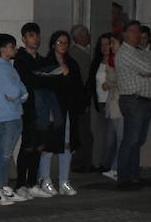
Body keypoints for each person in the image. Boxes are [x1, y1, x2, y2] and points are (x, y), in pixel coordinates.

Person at [31, 30, 83, 197]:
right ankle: (45, 179)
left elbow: (77, 87)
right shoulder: (47, 62)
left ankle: (64, 181)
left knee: (67, 145)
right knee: (49, 145)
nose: (63, 45)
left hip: (69, 110)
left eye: (66, 42)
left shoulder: (72, 63)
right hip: (53, 110)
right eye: (60, 42)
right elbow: (45, 86)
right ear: (53, 44)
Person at [115, 21, 151, 190]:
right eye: (133, 31)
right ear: (125, 34)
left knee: (138, 140)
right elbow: (149, 67)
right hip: (133, 101)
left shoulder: (139, 51)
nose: (137, 34)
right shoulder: (125, 52)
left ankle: (134, 176)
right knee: (131, 140)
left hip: (144, 101)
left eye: (138, 31)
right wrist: (150, 71)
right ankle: (124, 177)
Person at [0, 34, 28, 205]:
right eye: (12, 46)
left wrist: (17, 94)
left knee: (7, 154)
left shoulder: (8, 66)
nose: (15, 49)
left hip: (14, 113)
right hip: (6, 116)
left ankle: (4, 188)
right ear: (3, 49)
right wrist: (17, 94)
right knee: (3, 155)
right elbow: (15, 91)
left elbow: (24, 92)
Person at [12, 22, 44, 197]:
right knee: (28, 145)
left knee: (38, 145)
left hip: (41, 107)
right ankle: (21, 183)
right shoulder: (21, 59)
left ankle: (32, 182)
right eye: (31, 35)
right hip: (28, 108)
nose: (35, 39)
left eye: (37, 35)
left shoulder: (41, 59)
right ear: (24, 39)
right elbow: (28, 81)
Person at [92, 33, 123, 180]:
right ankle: (103, 163)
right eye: (103, 44)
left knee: (114, 136)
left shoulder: (116, 60)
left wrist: (108, 84)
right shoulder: (98, 61)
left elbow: (114, 80)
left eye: (108, 43)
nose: (106, 47)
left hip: (113, 101)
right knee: (102, 135)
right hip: (101, 102)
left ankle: (112, 165)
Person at [69, 23, 94, 171]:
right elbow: (83, 79)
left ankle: (83, 161)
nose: (89, 37)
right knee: (83, 132)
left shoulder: (81, 53)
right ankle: (82, 162)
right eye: (86, 34)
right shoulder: (77, 54)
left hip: (81, 98)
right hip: (80, 99)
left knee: (83, 131)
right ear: (80, 37)